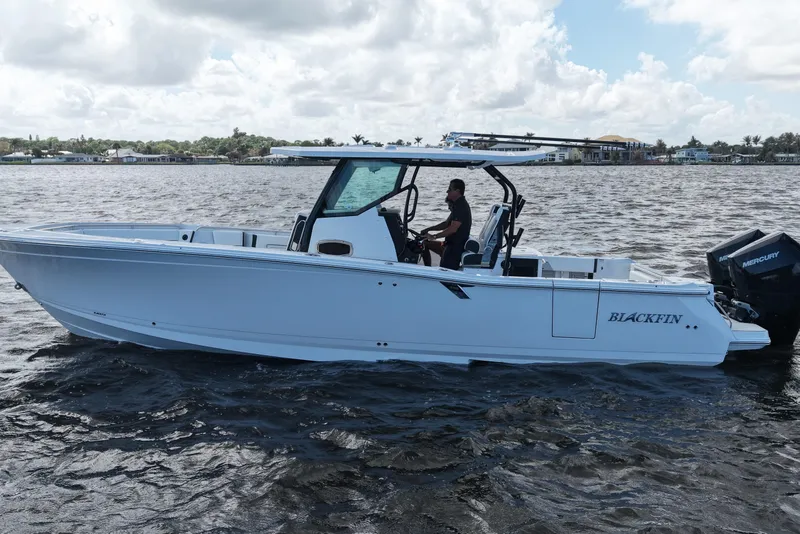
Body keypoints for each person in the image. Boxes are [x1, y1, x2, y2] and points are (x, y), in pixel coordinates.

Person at [421, 179, 472, 270]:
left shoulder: (461, 206)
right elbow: (446, 224)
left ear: (457, 191)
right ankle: (427, 270)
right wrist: (428, 229)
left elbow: (453, 229)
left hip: (455, 247)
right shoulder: (456, 206)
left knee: (446, 272)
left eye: (450, 189)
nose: (447, 191)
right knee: (425, 243)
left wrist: (434, 236)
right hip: (449, 244)